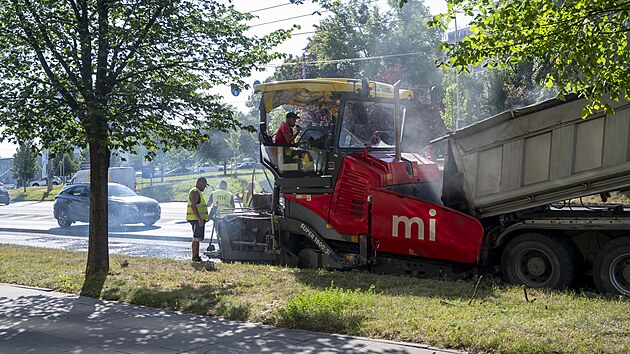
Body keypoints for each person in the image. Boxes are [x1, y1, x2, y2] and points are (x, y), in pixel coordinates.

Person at [186, 177, 208, 262]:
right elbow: (193, 206)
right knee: (196, 238)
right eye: (204, 185)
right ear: (200, 183)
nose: (204, 188)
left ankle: (196, 256)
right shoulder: (195, 192)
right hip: (196, 219)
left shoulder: (198, 192)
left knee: (198, 238)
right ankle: (195, 256)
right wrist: (199, 219)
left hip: (197, 219)